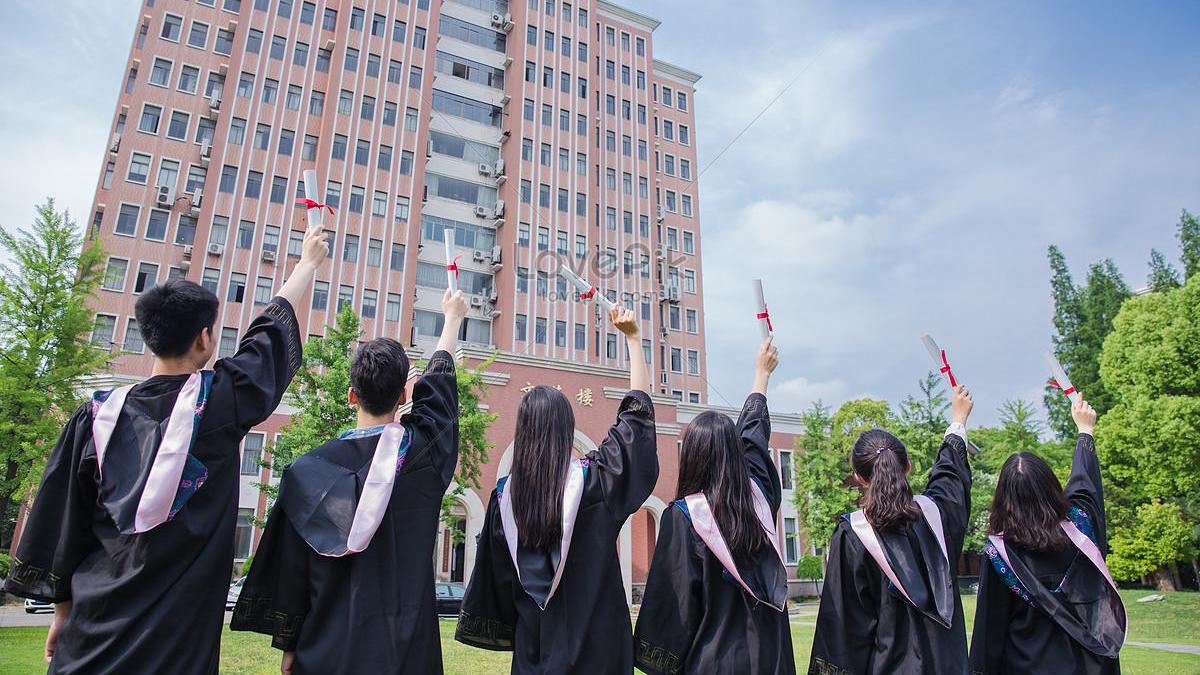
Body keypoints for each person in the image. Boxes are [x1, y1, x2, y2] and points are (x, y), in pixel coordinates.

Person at [3, 224, 328, 673]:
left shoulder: (95, 418)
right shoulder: (220, 405)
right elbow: (268, 336)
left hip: (93, 638)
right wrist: (307, 263)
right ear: (204, 338)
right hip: (177, 645)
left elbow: (63, 522)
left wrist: (62, 612)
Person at [231, 288, 468, 675]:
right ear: (402, 396)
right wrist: (452, 320)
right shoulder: (422, 458)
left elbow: (292, 574)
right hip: (404, 656)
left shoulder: (306, 472)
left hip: (326, 652)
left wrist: (289, 644)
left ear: (351, 396)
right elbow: (438, 396)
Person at [455, 306, 657, 674]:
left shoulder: (504, 501)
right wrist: (633, 340)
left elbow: (497, 585)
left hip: (534, 659)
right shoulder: (596, 483)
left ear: (523, 433)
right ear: (567, 432)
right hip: (599, 660)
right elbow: (634, 426)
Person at [634, 337, 795, 675]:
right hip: (771, 661)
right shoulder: (760, 499)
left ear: (692, 458)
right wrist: (761, 375)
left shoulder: (684, 518)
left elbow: (673, 607)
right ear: (736, 457)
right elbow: (754, 438)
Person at [809, 384, 975, 674]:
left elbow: (844, 632)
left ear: (859, 478)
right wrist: (958, 422)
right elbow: (950, 478)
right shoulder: (938, 516)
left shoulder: (853, 536)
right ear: (907, 467)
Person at [970, 398, 1125, 674]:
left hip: (1027, 665)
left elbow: (990, 629)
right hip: (1091, 662)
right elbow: (1085, 484)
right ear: (1052, 486)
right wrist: (1085, 431)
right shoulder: (1081, 528)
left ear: (1004, 498)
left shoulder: (1000, 553)